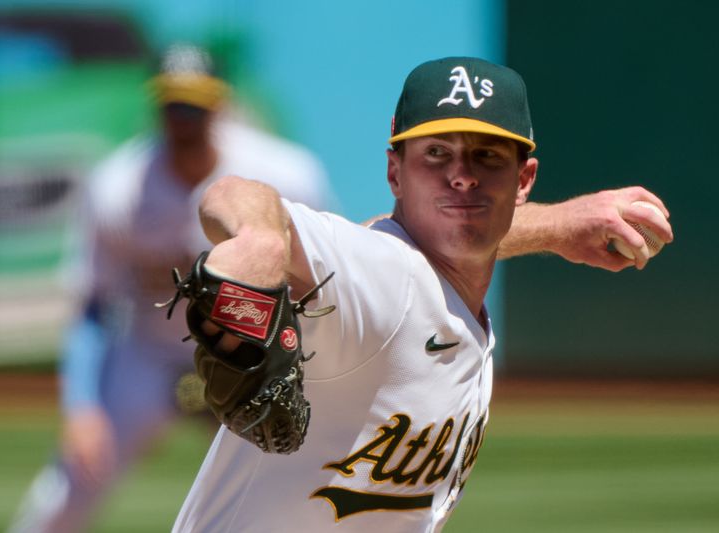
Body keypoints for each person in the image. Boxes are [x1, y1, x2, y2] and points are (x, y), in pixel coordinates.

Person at [170, 56, 673, 532]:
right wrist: (259, 241)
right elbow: (231, 194)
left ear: (524, 180)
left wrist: (560, 225)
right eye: (436, 153)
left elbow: (462, 230)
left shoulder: (443, 286)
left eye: (487, 155)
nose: (461, 174)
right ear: (394, 172)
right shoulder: (386, 278)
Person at [7, 43, 334, 533]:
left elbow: (327, 281)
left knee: (299, 486)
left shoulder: (287, 174)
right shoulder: (118, 186)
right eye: (174, 104)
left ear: (220, 104)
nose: (184, 116)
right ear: (156, 106)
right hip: (146, 355)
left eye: (196, 104)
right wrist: (82, 408)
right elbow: (93, 304)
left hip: (247, 357)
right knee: (72, 482)